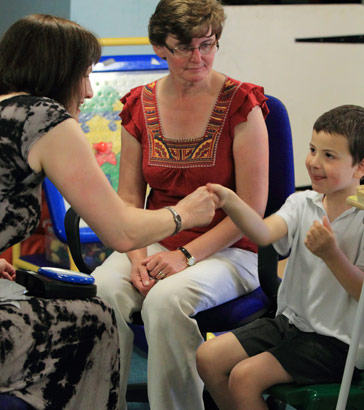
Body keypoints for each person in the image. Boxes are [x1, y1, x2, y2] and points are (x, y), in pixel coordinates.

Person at [0, 14, 217, 410]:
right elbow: (121, 229)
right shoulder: (46, 119)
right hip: (154, 241)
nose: (87, 91)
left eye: (207, 45)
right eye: (84, 74)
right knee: (95, 317)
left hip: (206, 254)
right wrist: (183, 213)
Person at [91, 1, 269, 409]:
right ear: (159, 48)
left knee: (166, 301)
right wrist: (135, 256)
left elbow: (253, 209)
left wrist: (184, 256)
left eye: (207, 45)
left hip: (232, 247)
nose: (198, 57)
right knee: (103, 290)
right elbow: (131, 199)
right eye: (184, 47)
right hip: (156, 237)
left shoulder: (243, 105)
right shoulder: (139, 104)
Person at [196, 104, 364, 410]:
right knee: (208, 357)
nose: (314, 162)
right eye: (313, 149)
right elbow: (262, 233)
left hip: (340, 343)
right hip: (290, 323)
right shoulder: (302, 202)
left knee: (244, 378)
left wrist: (331, 254)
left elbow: (361, 291)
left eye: (329, 156)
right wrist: (232, 201)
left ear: (360, 167)